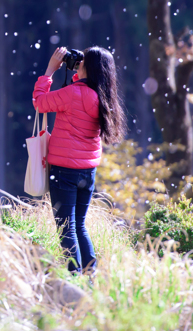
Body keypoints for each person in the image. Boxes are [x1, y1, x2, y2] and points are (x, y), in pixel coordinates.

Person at [32, 46, 126, 273]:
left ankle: (74, 277)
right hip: (88, 172)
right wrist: (78, 73)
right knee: (79, 226)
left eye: (83, 60)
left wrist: (49, 71)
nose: (79, 61)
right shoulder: (102, 97)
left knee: (66, 227)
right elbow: (80, 93)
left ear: (89, 66)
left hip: (64, 169)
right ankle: (90, 275)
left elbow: (40, 102)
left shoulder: (73, 93)